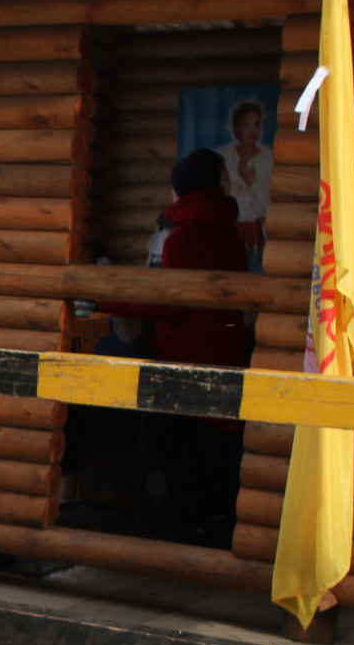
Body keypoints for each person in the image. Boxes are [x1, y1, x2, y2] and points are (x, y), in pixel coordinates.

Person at [102, 147, 252, 544]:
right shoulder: (231, 233)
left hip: (184, 358)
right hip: (228, 355)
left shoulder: (183, 236)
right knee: (217, 449)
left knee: (179, 447)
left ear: (180, 187)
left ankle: (188, 526)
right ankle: (217, 518)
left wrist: (106, 299)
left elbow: (168, 305)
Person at [217, 97, 273, 270]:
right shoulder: (223, 156)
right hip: (228, 233)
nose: (252, 130)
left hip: (257, 234)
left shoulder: (268, 158)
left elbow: (269, 207)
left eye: (256, 124)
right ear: (235, 129)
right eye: (246, 125)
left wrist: (251, 182)